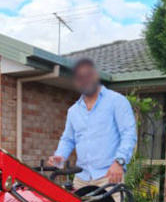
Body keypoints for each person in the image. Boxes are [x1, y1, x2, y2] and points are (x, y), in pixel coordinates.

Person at [49, 58, 137, 190]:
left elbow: (128, 134)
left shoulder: (117, 101)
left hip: (109, 176)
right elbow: (68, 139)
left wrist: (119, 162)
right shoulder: (73, 111)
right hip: (81, 178)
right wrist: (59, 155)